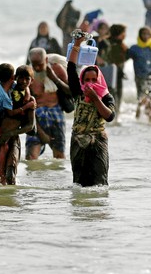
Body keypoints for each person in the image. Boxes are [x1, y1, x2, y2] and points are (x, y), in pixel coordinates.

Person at [67, 33, 116, 186]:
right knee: (79, 182)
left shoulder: (106, 96)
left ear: (99, 80)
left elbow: (109, 116)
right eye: (87, 80)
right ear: (82, 81)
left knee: (99, 182)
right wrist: (77, 45)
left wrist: (95, 99)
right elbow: (70, 68)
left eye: (94, 80)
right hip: (78, 140)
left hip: (98, 142)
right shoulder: (78, 92)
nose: (90, 83)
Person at [26, 47, 70, 160]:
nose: (36, 68)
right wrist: (40, 132)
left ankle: (55, 178)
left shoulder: (57, 69)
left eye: (39, 64)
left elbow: (71, 92)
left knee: (59, 156)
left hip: (56, 114)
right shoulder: (28, 76)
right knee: (31, 158)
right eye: (34, 65)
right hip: (37, 117)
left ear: (46, 60)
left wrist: (54, 78)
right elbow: (28, 106)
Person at [126, 27, 151, 119]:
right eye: (143, 34)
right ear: (140, 35)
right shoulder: (135, 48)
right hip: (140, 77)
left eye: (148, 34)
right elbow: (124, 57)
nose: (145, 36)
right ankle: (139, 113)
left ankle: (149, 118)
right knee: (141, 96)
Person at [104, 24, 128, 120]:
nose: (125, 35)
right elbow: (117, 60)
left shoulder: (117, 43)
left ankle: (113, 117)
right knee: (115, 96)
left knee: (112, 96)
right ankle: (113, 118)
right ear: (119, 34)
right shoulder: (114, 45)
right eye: (123, 32)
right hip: (113, 74)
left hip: (113, 74)